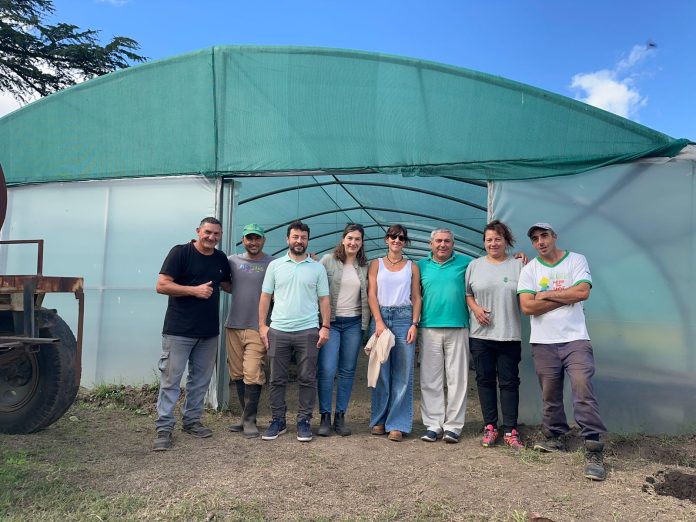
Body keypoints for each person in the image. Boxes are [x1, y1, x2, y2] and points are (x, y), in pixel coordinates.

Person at [517, 222, 607, 481]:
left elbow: (583, 292)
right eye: (535, 238)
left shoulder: (576, 260)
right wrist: (565, 296)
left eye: (544, 235)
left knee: (582, 386)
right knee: (550, 392)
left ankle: (593, 447)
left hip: (575, 339)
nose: (540, 241)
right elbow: (527, 307)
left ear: (554, 236)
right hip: (543, 341)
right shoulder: (530, 270)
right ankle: (554, 436)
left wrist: (544, 295)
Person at [152, 217, 232, 451]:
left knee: (200, 381)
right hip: (179, 331)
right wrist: (194, 291)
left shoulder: (220, 258)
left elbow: (229, 285)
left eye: (216, 234)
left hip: (208, 332)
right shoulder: (181, 253)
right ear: (198, 231)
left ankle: (192, 421)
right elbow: (162, 285)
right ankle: (164, 428)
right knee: (171, 380)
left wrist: (255, 272)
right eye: (208, 232)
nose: (211, 237)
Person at [259, 221, 330, 442]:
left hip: (308, 330)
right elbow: (265, 296)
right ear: (287, 239)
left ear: (308, 240)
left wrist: (325, 326)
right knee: (276, 379)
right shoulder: (275, 265)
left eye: (303, 237)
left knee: (307, 378)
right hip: (278, 329)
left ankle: (304, 421)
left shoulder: (317, 268)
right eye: (295, 237)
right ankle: (277, 420)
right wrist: (262, 326)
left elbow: (324, 299)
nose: (299, 241)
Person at [466, 220, 524, 449]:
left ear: (506, 241)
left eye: (498, 239)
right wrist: (476, 309)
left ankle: (510, 429)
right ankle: (490, 426)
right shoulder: (475, 265)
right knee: (485, 380)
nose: (493, 243)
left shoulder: (518, 265)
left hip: (508, 334)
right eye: (489, 239)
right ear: (484, 242)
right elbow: (468, 294)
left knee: (509, 382)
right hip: (481, 335)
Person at [416, 228, 473, 444]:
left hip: (458, 326)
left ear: (453, 244)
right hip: (429, 326)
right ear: (431, 244)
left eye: (447, 241)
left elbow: (490, 264)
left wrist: (518, 257)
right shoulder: (420, 266)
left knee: (458, 378)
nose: (442, 245)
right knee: (430, 378)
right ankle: (433, 424)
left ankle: (453, 426)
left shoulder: (467, 263)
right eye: (438, 241)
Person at [367, 224, 422, 442]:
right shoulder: (376, 264)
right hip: (381, 316)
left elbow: (416, 296)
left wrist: (414, 323)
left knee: (403, 373)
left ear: (405, 242)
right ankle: (379, 419)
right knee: (381, 371)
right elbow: (372, 294)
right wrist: (378, 321)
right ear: (386, 239)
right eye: (393, 236)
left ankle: (397, 424)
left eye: (401, 238)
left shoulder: (412, 266)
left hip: (403, 318)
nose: (396, 240)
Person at [317, 223, 370, 437]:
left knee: (347, 371)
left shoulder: (365, 266)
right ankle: (324, 416)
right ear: (343, 239)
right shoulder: (327, 261)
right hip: (331, 323)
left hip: (354, 324)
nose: (353, 242)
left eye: (357, 239)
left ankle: (340, 416)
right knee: (327, 369)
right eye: (350, 238)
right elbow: (315, 287)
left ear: (362, 242)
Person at [225, 224, 274, 439]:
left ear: (263, 240)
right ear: (243, 240)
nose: (253, 242)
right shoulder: (232, 261)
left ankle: (251, 419)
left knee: (253, 372)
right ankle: (245, 418)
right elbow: (224, 283)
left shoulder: (272, 263)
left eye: (257, 238)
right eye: (249, 238)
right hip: (234, 325)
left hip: (258, 326)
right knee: (237, 373)